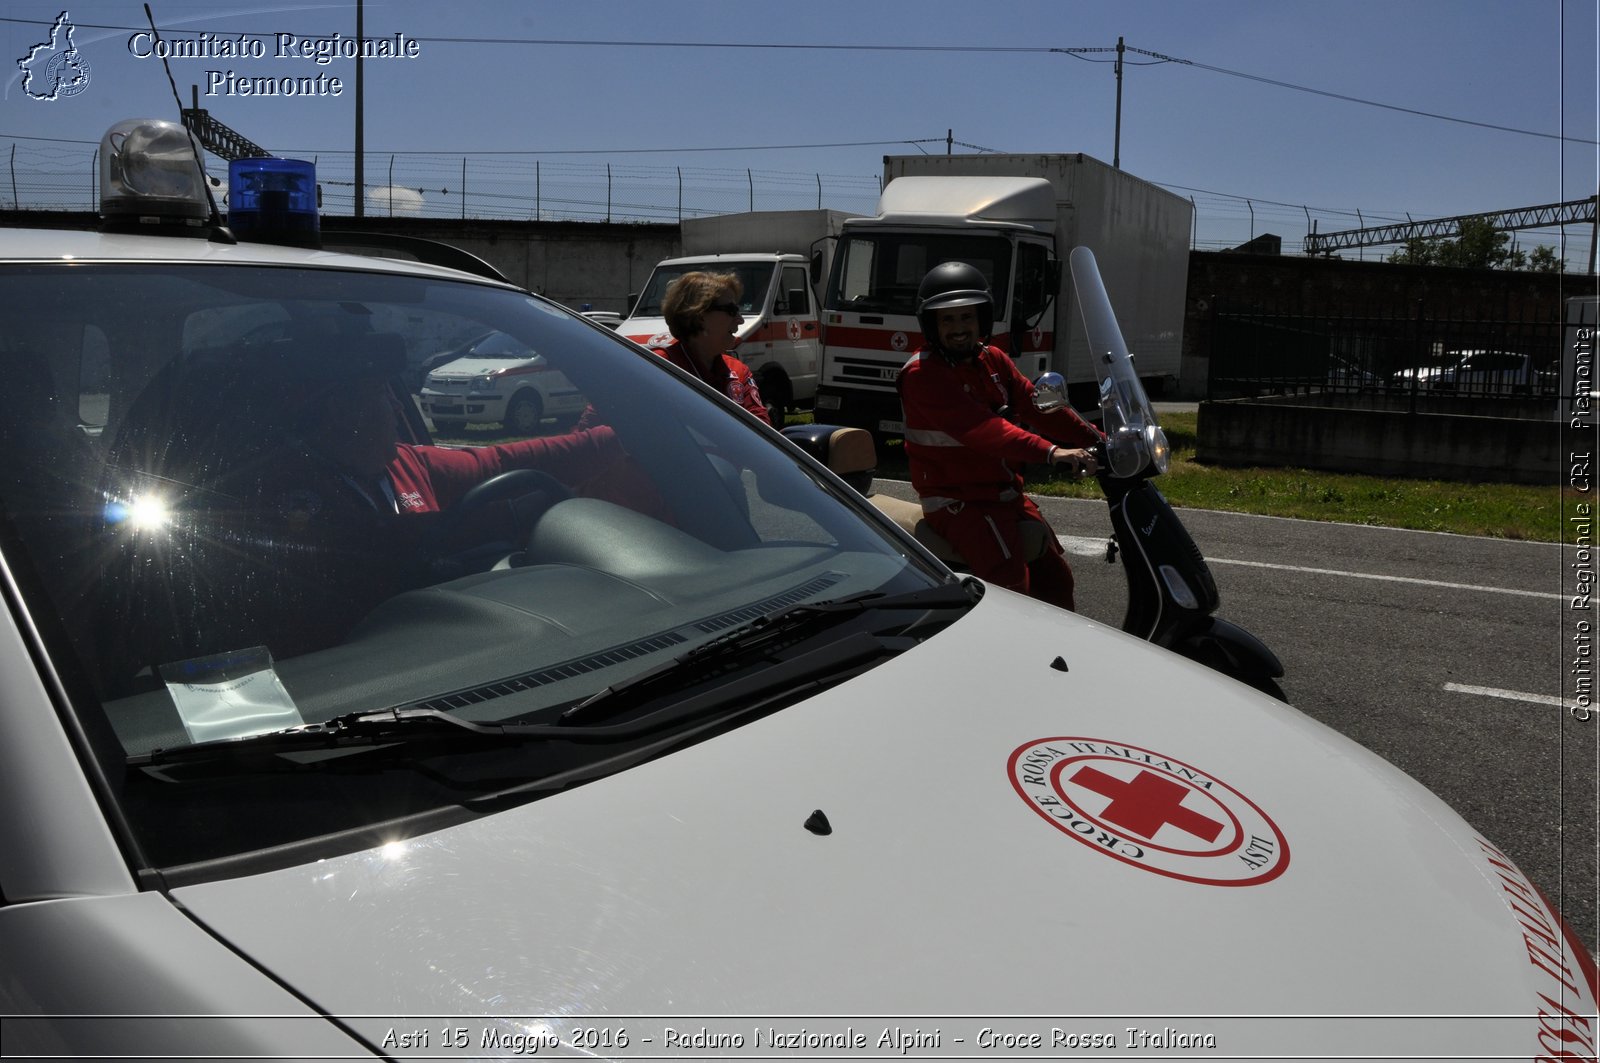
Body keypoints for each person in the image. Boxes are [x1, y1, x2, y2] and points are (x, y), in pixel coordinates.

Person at [896, 261, 1101, 611]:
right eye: (947, 319)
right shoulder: (922, 374)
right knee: (1011, 587)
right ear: (931, 324)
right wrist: (1053, 453)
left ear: (982, 320)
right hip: (958, 501)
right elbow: (985, 430)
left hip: (1003, 494)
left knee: (1056, 579)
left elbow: (1039, 408)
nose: (959, 328)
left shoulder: (993, 360)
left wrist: (1099, 439)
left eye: (967, 318)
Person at [652, 271, 771, 424]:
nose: (740, 320)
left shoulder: (738, 371)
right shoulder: (661, 367)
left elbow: (761, 431)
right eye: (731, 311)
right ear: (700, 315)